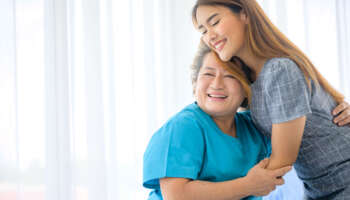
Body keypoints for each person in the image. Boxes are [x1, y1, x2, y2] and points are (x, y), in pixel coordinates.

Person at [142, 42, 350, 200]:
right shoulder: (182, 128)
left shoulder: (254, 127)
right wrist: (247, 186)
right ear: (195, 83)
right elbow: (176, 195)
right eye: (208, 74)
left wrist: (336, 111)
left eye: (231, 77)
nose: (217, 84)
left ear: (246, 90)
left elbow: (296, 120)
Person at [192, 0, 350, 199]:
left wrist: (214, 191)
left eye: (214, 22)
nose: (210, 36)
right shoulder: (249, 81)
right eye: (203, 31)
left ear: (245, 14)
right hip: (319, 188)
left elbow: (281, 162)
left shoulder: (279, 70)